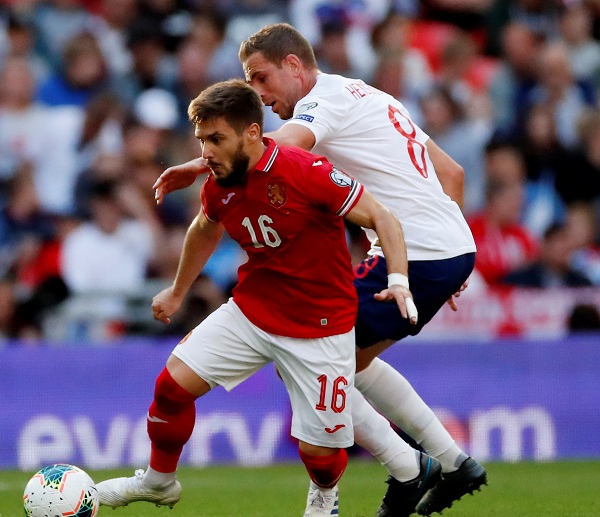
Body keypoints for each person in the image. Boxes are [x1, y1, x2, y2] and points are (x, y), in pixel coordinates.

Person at [153, 23, 485, 517]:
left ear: (294, 66)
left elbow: (271, 149)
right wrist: (454, 256)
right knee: (341, 362)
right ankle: (445, 463)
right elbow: (452, 174)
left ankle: (421, 467)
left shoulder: (320, 104)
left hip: (414, 250)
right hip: (443, 247)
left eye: (261, 79)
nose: (260, 96)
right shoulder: (371, 95)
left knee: (317, 359)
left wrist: (200, 165)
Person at [95, 79, 434, 517]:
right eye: (202, 140)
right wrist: (177, 291)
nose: (207, 152)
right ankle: (159, 483)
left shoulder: (306, 171)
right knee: (171, 387)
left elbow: (382, 217)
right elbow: (204, 227)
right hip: (253, 311)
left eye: (216, 139)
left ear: (252, 134)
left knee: (320, 456)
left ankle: (326, 495)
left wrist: (400, 279)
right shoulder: (219, 181)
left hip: (320, 327)